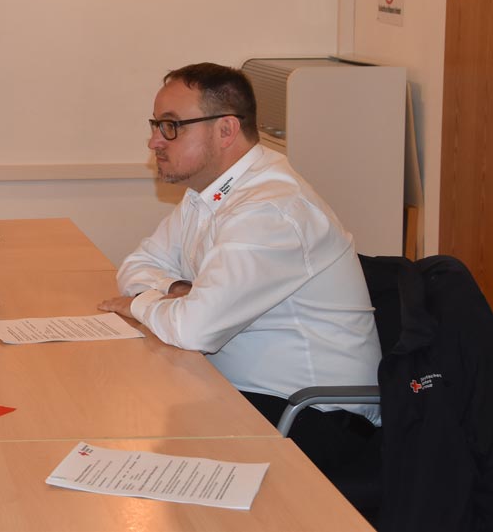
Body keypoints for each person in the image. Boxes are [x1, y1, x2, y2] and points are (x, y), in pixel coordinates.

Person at [98, 63, 381, 476]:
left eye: (171, 126)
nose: (154, 140)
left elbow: (194, 329)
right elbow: (137, 265)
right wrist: (180, 289)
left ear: (225, 130)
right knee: (121, 417)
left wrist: (140, 303)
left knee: (135, 452)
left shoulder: (270, 209)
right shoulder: (207, 194)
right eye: (156, 125)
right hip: (243, 394)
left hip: (313, 417)